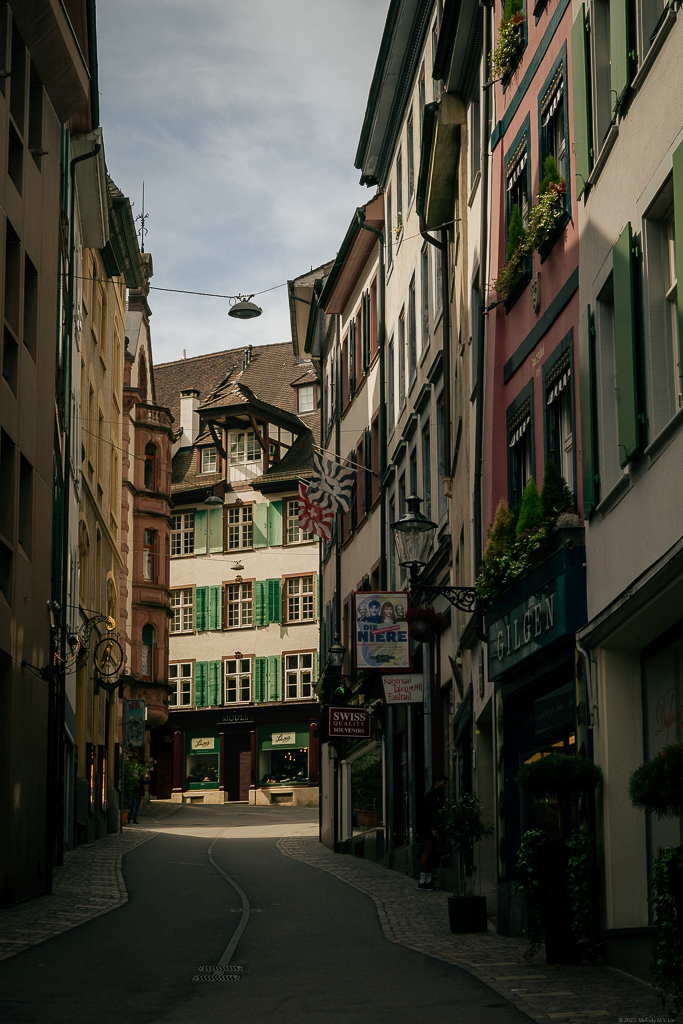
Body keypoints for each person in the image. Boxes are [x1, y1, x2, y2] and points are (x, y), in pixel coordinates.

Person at [417, 774, 448, 891]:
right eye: (443, 783)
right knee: (427, 852)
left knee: (430, 854)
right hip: (429, 829)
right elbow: (428, 813)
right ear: (437, 782)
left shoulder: (435, 795)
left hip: (431, 828)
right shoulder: (432, 795)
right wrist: (431, 828)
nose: (445, 786)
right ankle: (422, 881)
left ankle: (428, 880)